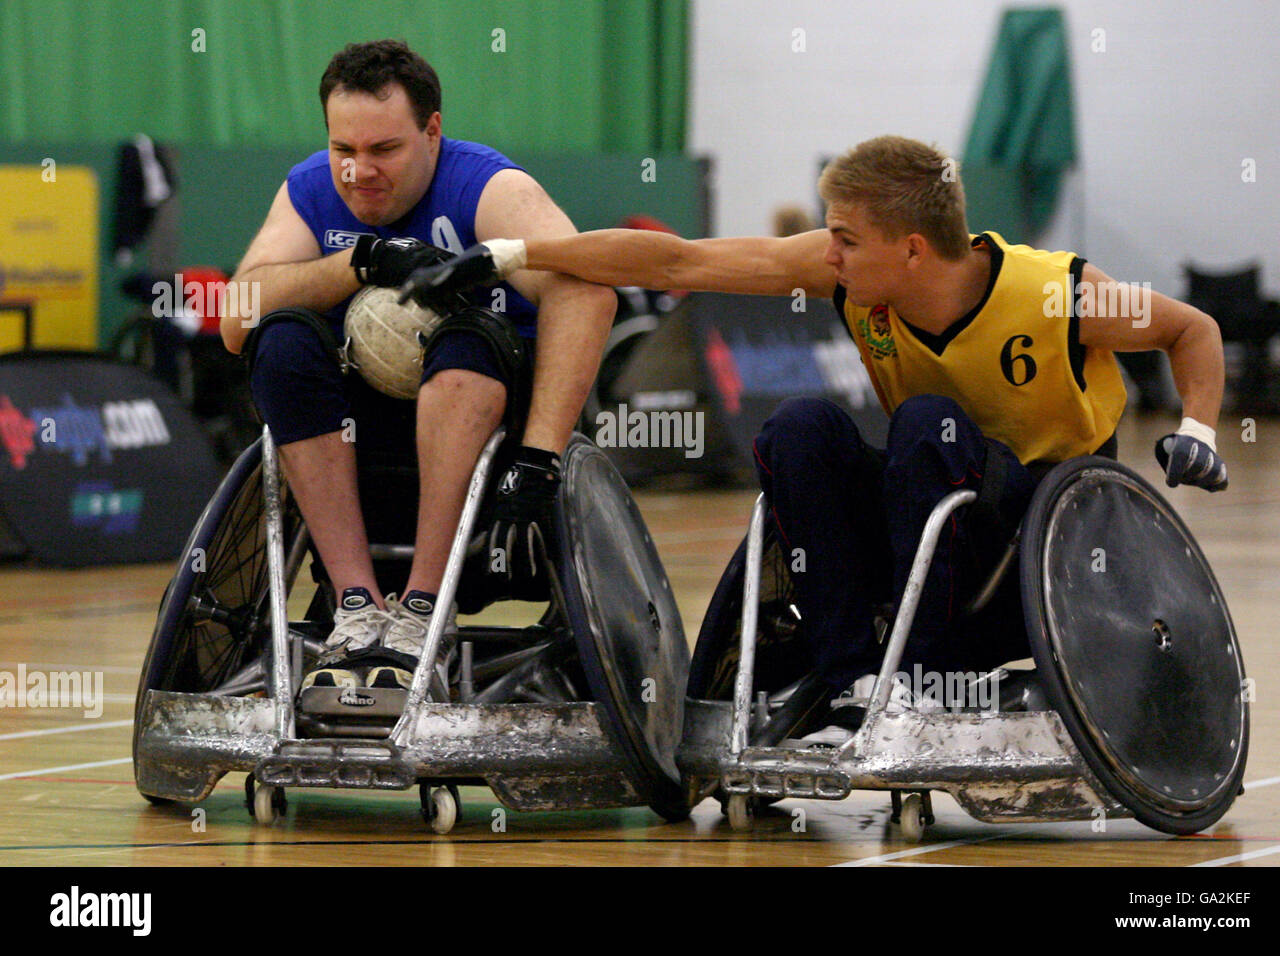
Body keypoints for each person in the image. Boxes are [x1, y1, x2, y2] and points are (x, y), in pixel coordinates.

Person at [402, 135, 1229, 731]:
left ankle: (921, 677)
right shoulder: (849, 275)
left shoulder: (1062, 292)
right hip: (927, 499)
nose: (827, 253)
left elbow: (1192, 330)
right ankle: (850, 681)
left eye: (846, 238)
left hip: (1039, 526)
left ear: (911, 249)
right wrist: (509, 256)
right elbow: (677, 263)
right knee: (802, 427)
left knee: (926, 420)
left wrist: (1199, 428)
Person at [218, 40, 615, 695]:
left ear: (432, 131)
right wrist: (362, 262)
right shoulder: (311, 190)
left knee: (464, 340)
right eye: (344, 150)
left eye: (383, 150)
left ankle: (423, 608)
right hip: (363, 429)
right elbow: (236, 318)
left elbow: (587, 293)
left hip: (486, 413)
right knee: (281, 341)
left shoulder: (490, 187)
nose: (358, 171)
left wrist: (541, 456)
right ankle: (355, 605)